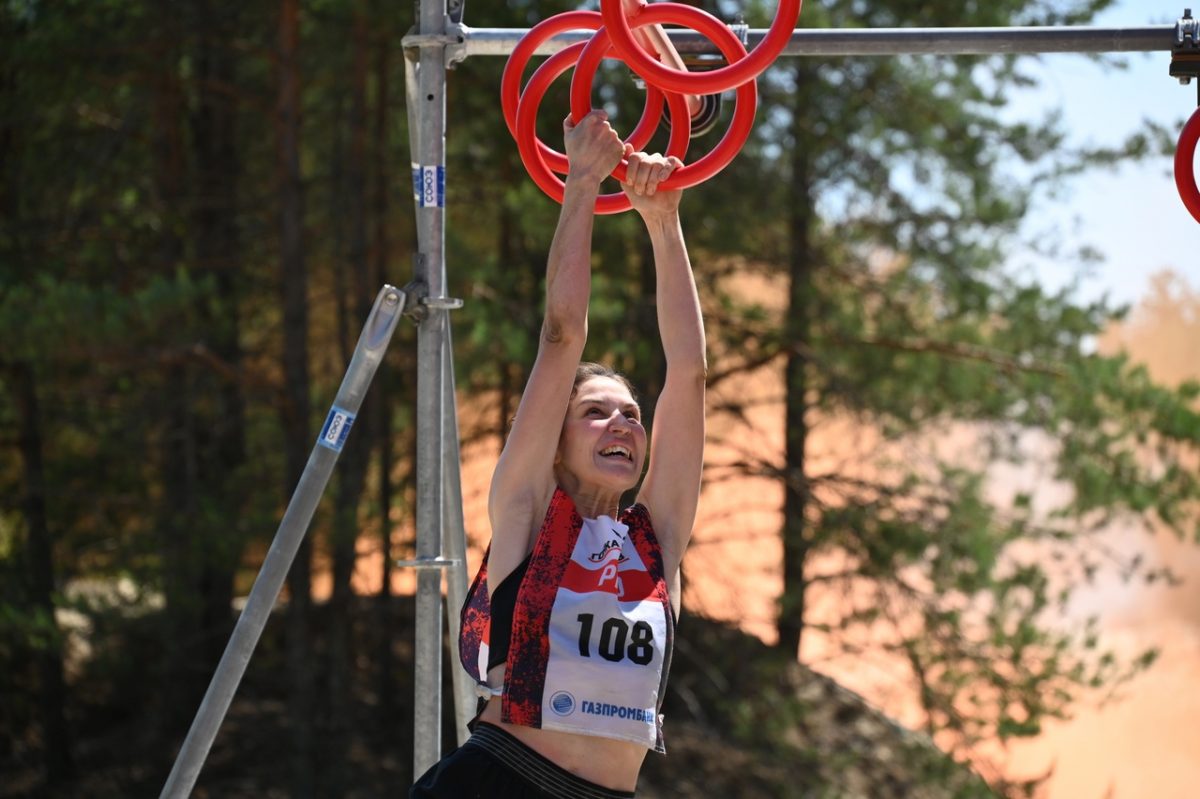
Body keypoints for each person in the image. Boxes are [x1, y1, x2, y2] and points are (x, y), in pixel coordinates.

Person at [410, 109, 706, 799]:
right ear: (556, 447)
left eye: (631, 414)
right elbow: (561, 335)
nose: (621, 423)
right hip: (501, 779)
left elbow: (688, 374)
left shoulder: (656, 538)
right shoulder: (529, 509)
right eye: (595, 411)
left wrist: (664, 224)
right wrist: (582, 185)